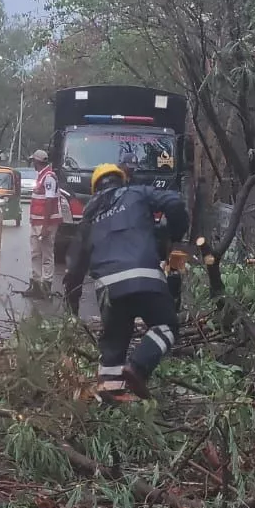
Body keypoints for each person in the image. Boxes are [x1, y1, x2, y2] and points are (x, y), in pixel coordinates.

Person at [63, 164, 190, 403]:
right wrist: (175, 233)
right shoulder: (137, 193)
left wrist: (72, 306)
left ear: (95, 188)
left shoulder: (90, 214)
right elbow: (174, 202)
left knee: (113, 346)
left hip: (109, 288)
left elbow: (74, 266)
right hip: (145, 276)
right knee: (166, 326)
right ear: (120, 180)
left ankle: (109, 405)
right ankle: (139, 367)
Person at [26, 149, 61, 298]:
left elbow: (49, 201)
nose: (32, 163)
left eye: (33, 161)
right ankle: (36, 284)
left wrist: (46, 226)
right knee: (35, 253)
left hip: (46, 223)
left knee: (46, 253)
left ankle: (46, 285)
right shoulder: (41, 176)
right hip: (37, 222)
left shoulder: (49, 178)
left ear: (38, 162)